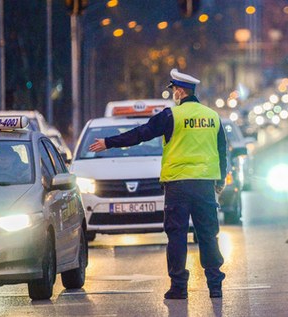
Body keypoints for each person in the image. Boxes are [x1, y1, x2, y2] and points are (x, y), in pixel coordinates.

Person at [89, 68, 227, 299]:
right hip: (204, 185)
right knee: (207, 235)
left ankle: (179, 288)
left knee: (177, 236)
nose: (172, 94)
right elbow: (222, 152)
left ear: (180, 92)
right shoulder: (212, 116)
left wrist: (108, 143)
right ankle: (215, 286)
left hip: (178, 187)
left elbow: (141, 133)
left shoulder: (171, 116)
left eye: (173, 90)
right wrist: (220, 181)